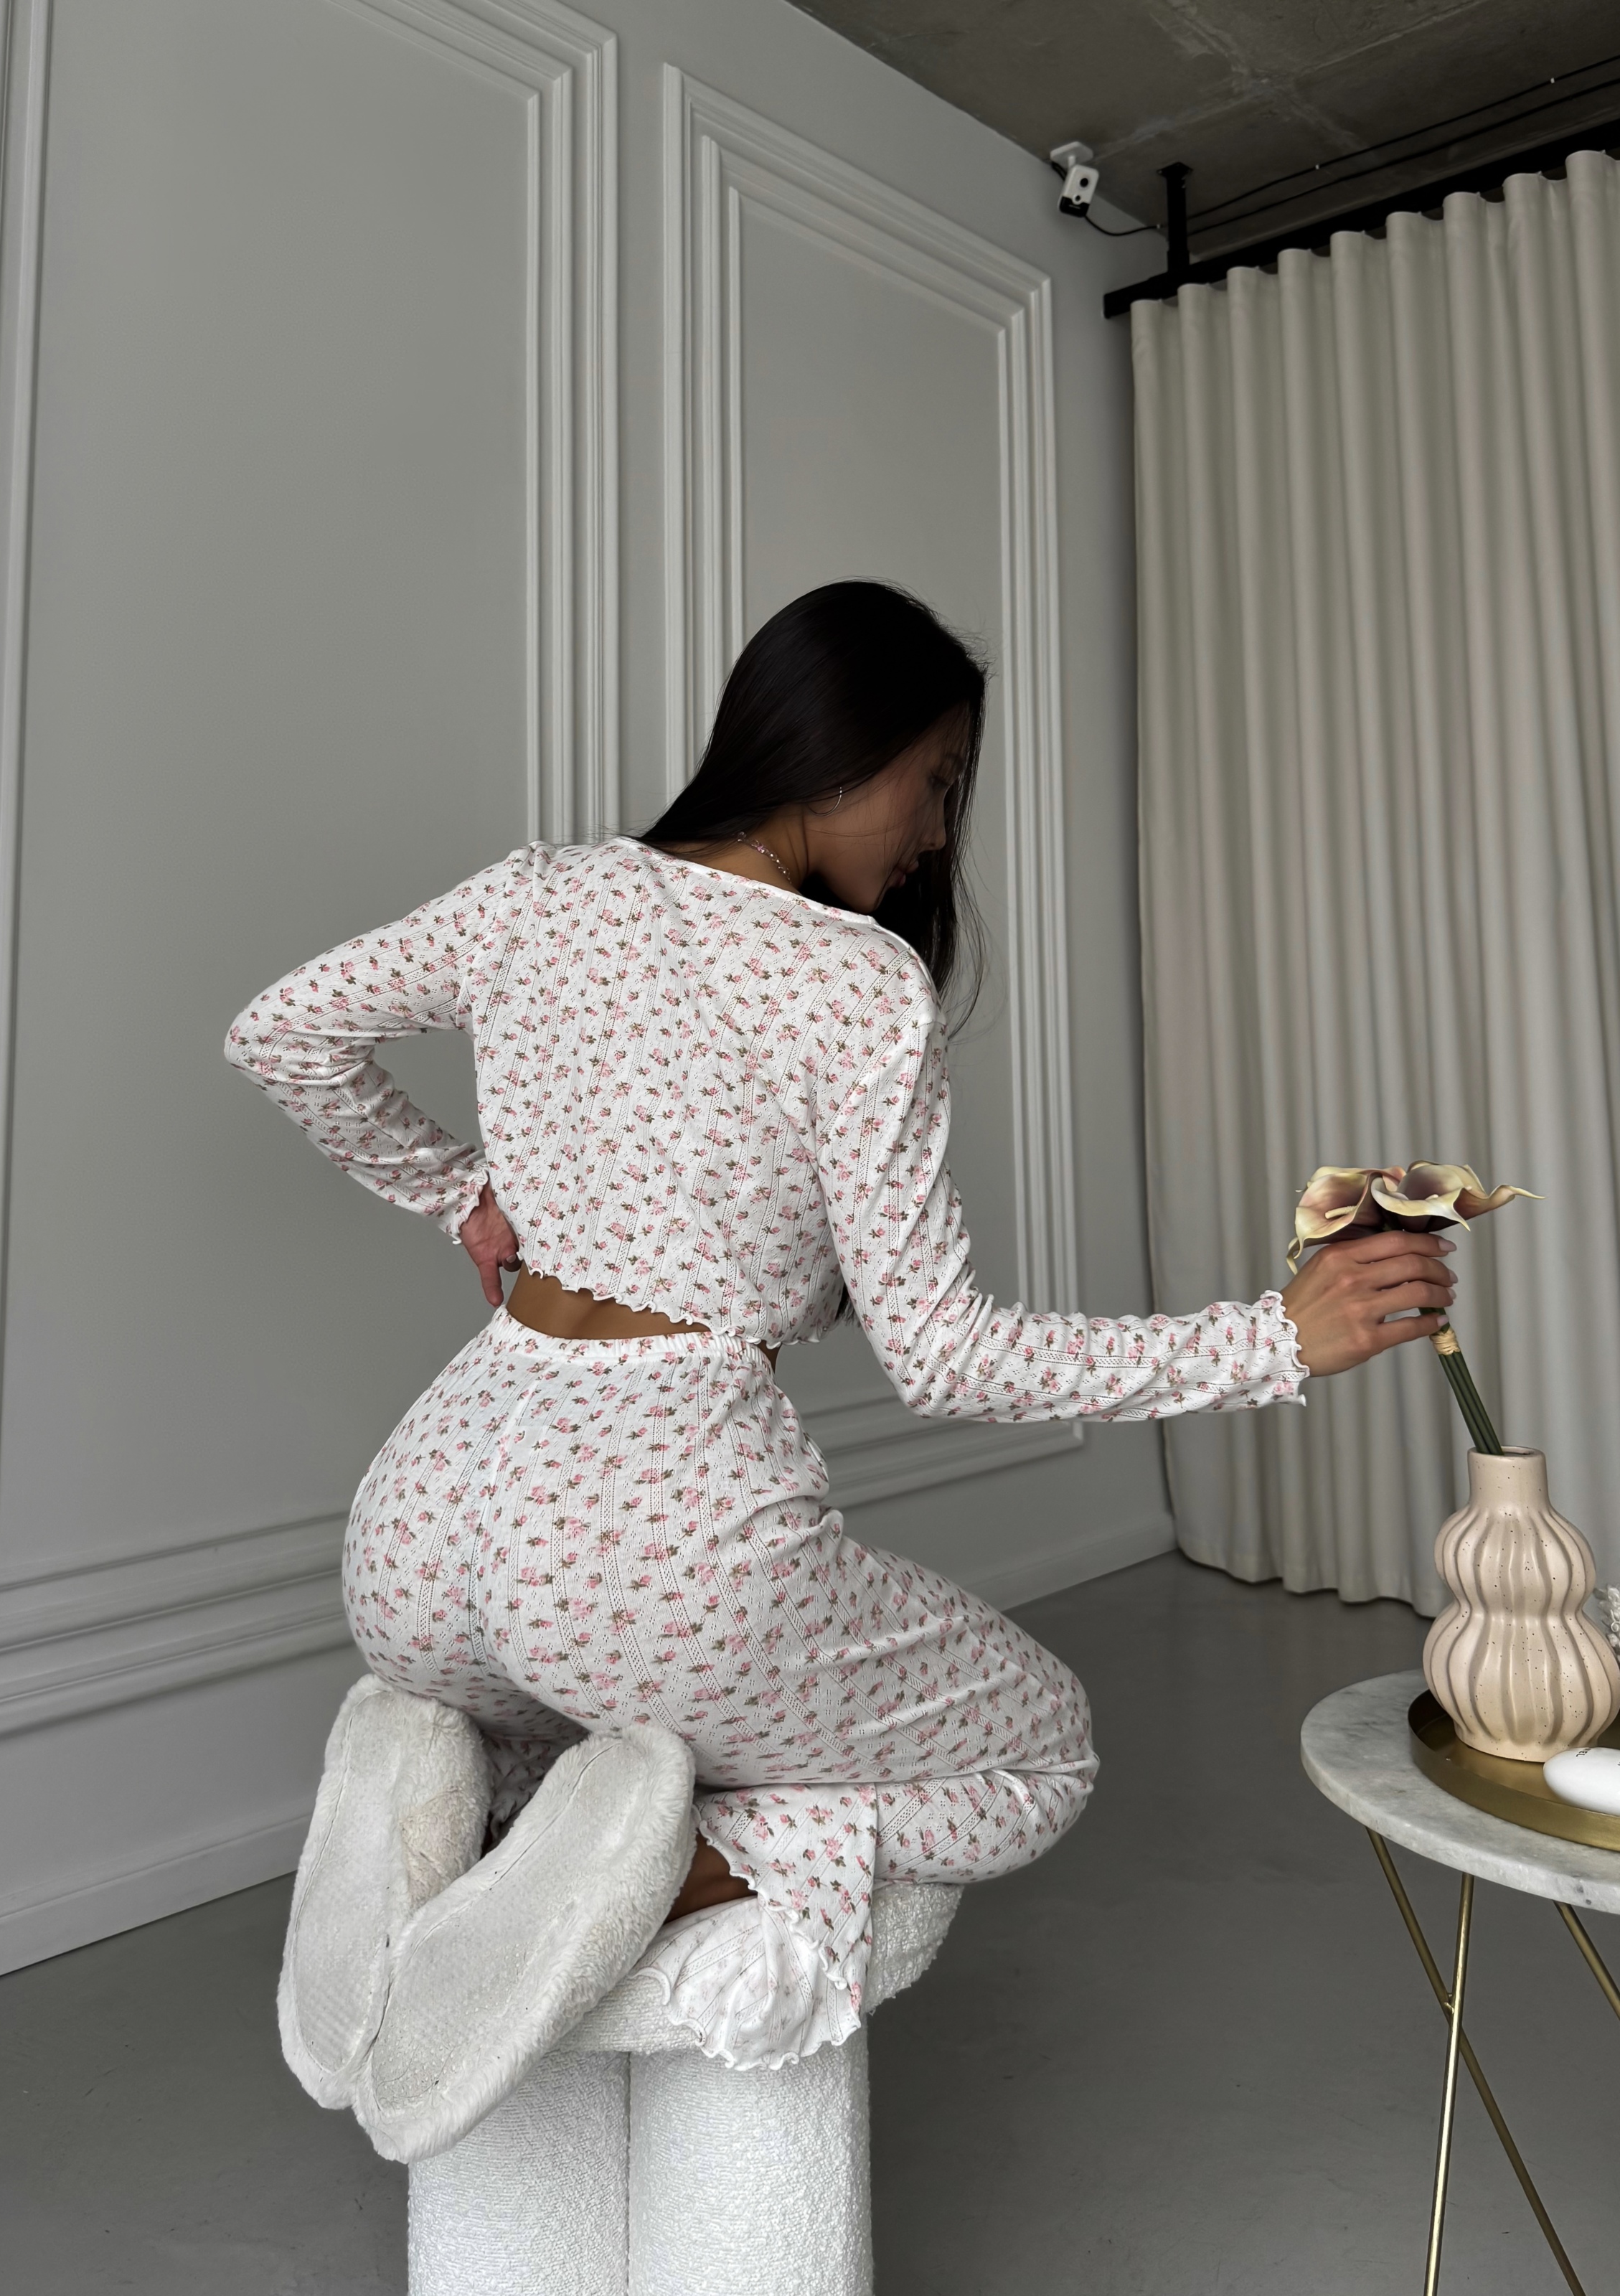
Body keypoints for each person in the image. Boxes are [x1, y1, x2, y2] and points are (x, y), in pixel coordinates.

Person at [226, 580, 1455, 2149]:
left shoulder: (540, 893)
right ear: (843, 747)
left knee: (573, 1719)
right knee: (1040, 1747)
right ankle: (630, 1875)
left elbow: (282, 1031)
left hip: (420, 1519)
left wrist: (463, 1193)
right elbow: (945, 1354)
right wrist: (1272, 1338)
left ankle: (420, 1767)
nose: (937, 836)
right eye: (937, 783)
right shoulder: (853, 981)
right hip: (648, 1547)